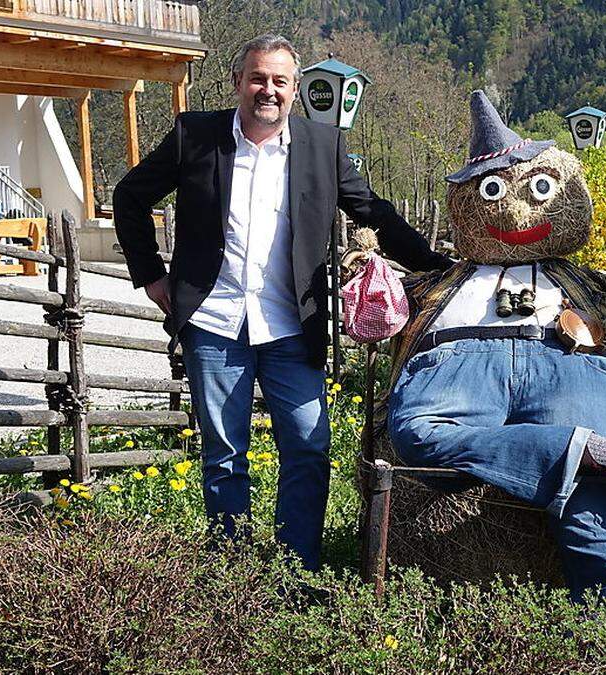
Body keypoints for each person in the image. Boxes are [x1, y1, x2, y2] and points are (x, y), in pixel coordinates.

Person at [113, 34, 449, 569]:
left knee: (309, 447)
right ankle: (236, 571)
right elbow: (129, 197)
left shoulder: (321, 146)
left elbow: (372, 210)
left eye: (279, 81)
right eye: (257, 78)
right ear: (237, 83)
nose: (266, 90)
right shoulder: (194, 137)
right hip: (215, 322)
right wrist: (151, 276)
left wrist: (435, 262)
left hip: (292, 324)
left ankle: (298, 569)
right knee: (224, 455)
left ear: (295, 89)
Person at [386, 90, 606, 603]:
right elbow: (384, 312)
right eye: (492, 191)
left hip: (566, 362)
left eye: (540, 189)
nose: (517, 212)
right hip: (456, 363)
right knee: (413, 432)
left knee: (592, 504)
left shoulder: (584, 281)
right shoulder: (442, 280)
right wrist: (367, 278)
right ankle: (581, 451)